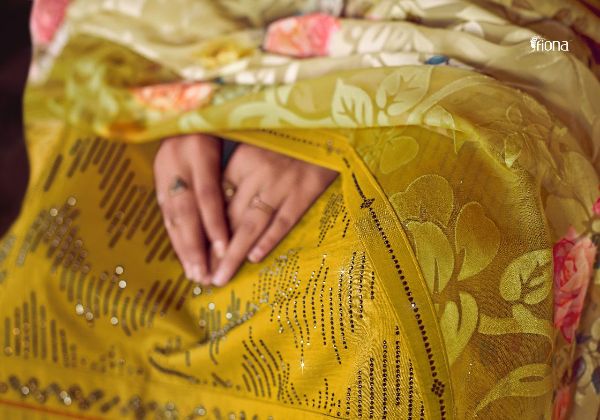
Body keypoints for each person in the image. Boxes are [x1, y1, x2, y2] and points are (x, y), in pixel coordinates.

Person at [1, 0, 599, 418]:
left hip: (467, 35)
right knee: (49, 268)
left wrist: (343, 112)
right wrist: (188, 99)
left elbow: (548, 44)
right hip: (195, 46)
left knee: (395, 299)